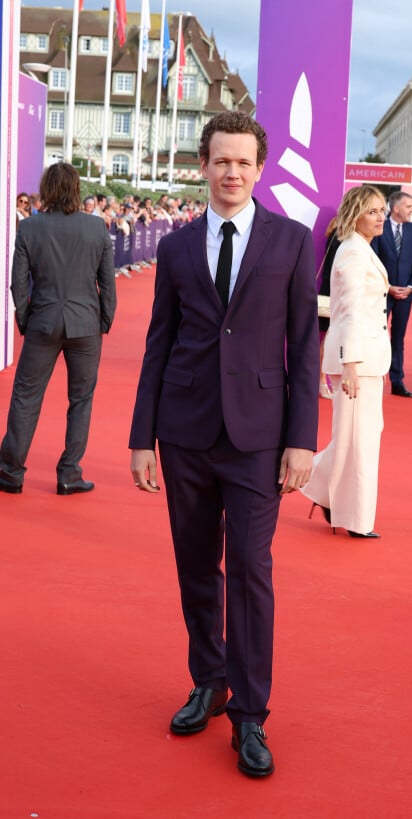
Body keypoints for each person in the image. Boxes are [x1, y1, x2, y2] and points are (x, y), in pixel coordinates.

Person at [128, 111, 319, 778]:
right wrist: (141, 437)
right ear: (203, 166)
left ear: (260, 168)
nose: (232, 172)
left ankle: (251, 715)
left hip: (259, 438)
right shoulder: (178, 248)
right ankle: (208, 679)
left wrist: (301, 440)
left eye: (243, 161)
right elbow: (158, 344)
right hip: (184, 431)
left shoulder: (293, 242)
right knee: (193, 564)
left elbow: (304, 343)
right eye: (221, 161)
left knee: (250, 567)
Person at [0, 162, 116, 495]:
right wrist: (103, 321)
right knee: (81, 400)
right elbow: (107, 284)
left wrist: (26, 319)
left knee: (25, 397)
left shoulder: (30, 229)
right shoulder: (96, 228)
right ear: (77, 189)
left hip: (42, 322)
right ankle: (69, 474)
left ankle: (10, 471)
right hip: (86, 326)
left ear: (47, 189)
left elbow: (18, 284)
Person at [300, 184, 391, 538]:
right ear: (356, 214)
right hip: (357, 359)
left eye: (382, 210)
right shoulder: (353, 253)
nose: (380, 216)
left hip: (367, 359)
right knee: (359, 440)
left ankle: (326, 492)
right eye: (373, 211)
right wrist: (351, 363)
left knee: (361, 437)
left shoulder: (361, 249)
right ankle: (352, 517)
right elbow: (350, 311)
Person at [372, 190, 412, 397]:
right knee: (376, 335)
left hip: (405, 294)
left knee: (398, 337)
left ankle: (397, 380)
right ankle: (374, 376)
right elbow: (373, 259)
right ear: (396, 208)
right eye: (408, 206)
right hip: (383, 293)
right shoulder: (379, 227)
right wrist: (388, 286)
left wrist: (411, 286)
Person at [317, 216, 340, 398]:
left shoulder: (338, 232)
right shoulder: (341, 234)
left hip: (335, 290)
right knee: (328, 338)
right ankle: (321, 381)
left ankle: (323, 381)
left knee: (330, 337)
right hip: (334, 291)